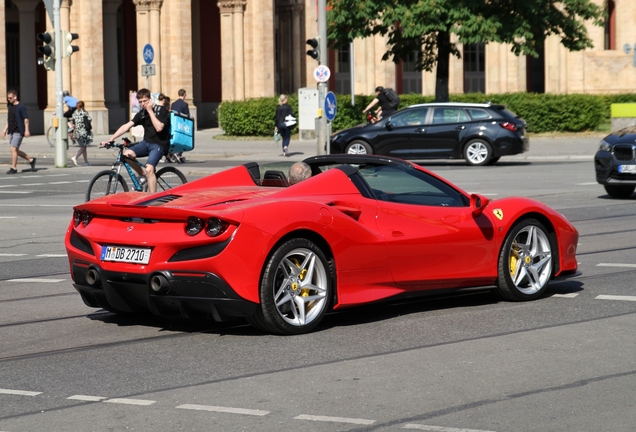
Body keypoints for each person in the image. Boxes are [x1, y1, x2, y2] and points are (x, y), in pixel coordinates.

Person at [102, 88, 170, 193]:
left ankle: (152, 199)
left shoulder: (161, 110)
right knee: (127, 154)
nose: (143, 104)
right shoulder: (141, 114)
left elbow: (159, 128)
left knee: (149, 169)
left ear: (150, 99)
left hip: (159, 145)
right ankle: (143, 176)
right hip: (146, 143)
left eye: (145, 101)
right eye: (140, 102)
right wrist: (111, 139)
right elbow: (126, 126)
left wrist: (150, 111)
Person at [3, 89, 35, 174]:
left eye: (10, 98)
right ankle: (30, 159)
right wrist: (5, 129)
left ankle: (14, 168)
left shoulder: (21, 107)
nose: (8, 100)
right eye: (8, 98)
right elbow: (9, 120)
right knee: (15, 150)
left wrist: (27, 130)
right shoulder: (10, 107)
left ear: (15, 97)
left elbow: (26, 119)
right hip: (12, 131)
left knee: (13, 149)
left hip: (19, 130)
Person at [70, 101, 93, 166]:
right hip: (84, 132)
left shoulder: (75, 113)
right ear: (83, 106)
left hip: (77, 132)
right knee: (83, 146)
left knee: (84, 146)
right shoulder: (84, 113)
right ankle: (75, 157)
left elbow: (74, 123)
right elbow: (90, 119)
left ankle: (86, 161)